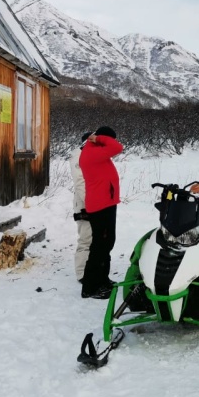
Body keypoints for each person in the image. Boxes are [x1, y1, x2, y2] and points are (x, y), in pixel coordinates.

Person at [79, 126, 123, 299]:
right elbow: (117, 147)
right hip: (100, 206)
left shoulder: (97, 152)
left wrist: (99, 140)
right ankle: (90, 287)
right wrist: (97, 138)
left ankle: (102, 279)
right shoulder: (91, 152)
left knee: (106, 244)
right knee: (99, 246)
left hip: (107, 203)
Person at [69, 131, 92, 283]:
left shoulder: (88, 155)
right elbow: (80, 182)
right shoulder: (78, 156)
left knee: (93, 239)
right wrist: (91, 203)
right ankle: (82, 274)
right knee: (85, 238)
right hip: (84, 203)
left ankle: (91, 270)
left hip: (92, 202)